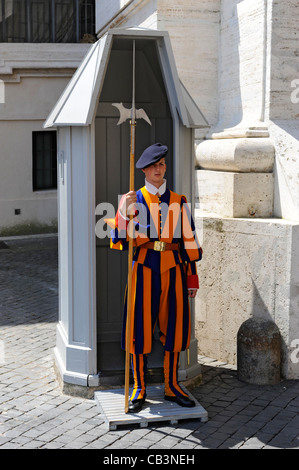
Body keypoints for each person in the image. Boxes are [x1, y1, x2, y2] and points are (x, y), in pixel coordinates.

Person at [109, 143, 202, 413]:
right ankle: (139, 388)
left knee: (174, 329)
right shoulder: (131, 200)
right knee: (138, 330)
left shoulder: (178, 201)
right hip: (143, 271)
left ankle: (172, 385)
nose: (158, 169)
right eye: (153, 166)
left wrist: (192, 279)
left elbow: (189, 244)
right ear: (144, 171)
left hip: (174, 271)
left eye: (161, 164)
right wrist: (124, 213)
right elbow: (118, 241)